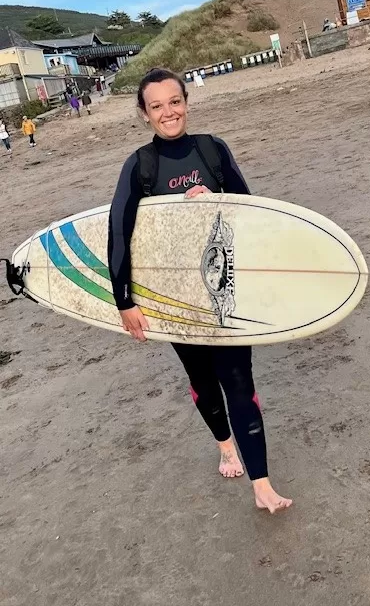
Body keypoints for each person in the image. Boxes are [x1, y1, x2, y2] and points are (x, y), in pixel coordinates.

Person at [108, 68, 293, 514]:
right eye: (157, 106)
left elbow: (250, 209)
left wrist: (215, 198)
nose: (168, 112)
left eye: (175, 101)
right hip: (175, 298)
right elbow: (118, 233)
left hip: (224, 291)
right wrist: (125, 302)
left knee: (239, 382)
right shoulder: (140, 166)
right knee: (202, 382)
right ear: (144, 114)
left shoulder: (212, 150)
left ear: (186, 101)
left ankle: (262, 483)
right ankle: (225, 444)